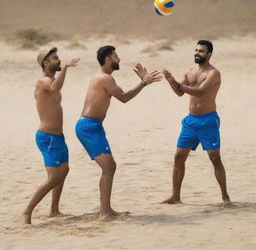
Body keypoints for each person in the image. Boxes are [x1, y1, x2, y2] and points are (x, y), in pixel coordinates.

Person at [75, 45, 162, 221]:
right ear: (108, 60)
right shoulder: (105, 78)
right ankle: (104, 213)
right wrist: (143, 83)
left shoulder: (102, 77)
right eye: (115, 56)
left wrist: (143, 82)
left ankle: (106, 209)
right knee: (109, 167)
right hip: (88, 127)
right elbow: (124, 98)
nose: (118, 59)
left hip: (93, 126)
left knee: (110, 167)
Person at [162, 40, 231, 206]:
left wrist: (179, 85)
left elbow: (201, 92)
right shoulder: (190, 72)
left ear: (209, 54)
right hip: (190, 121)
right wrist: (172, 82)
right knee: (178, 157)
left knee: (215, 158)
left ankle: (225, 197)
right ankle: (175, 197)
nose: (197, 53)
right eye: (196, 50)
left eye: (201, 51)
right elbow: (179, 93)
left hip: (208, 120)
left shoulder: (214, 73)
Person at [22, 47, 80, 224]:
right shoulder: (42, 81)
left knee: (64, 171)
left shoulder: (52, 80)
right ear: (46, 63)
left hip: (58, 137)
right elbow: (54, 88)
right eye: (55, 58)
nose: (59, 61)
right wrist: (67, 68)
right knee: (54, 177)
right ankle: (27, 211)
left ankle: (54, 210)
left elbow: (55, 89)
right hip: (47, 137)